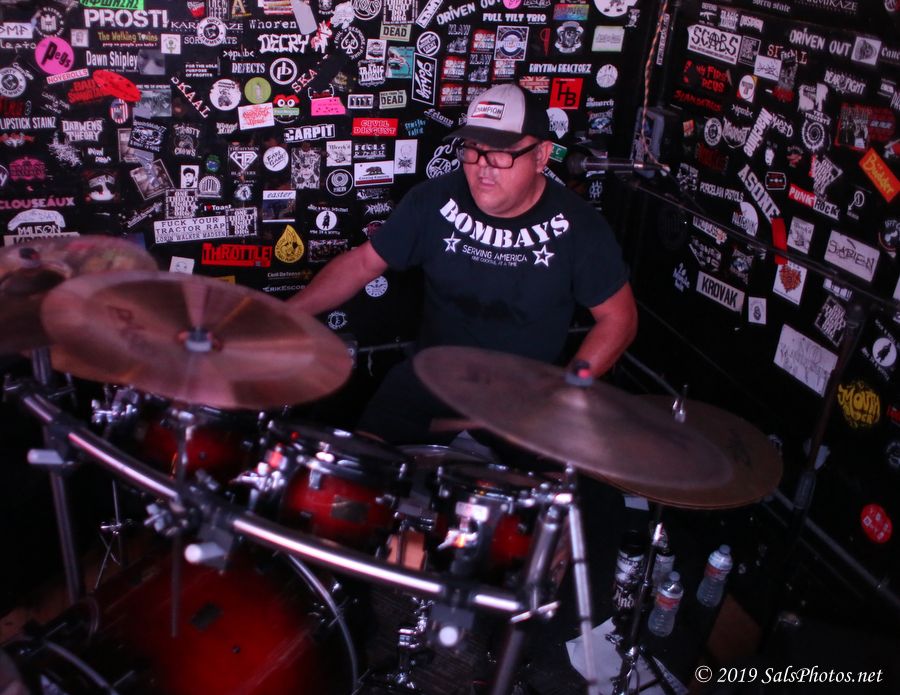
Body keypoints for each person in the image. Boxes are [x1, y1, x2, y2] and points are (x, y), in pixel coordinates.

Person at [289, 83, 637, 443]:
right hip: (431, 381)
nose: (483, 167)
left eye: (501, 153)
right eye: (473, 149)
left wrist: (568, 388)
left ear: (541, 156)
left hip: (529, 397)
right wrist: (284, 315)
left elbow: (619, 319)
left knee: (557, 476)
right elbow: (363, 264)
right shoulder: (434, 199)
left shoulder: (580, 227)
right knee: (362, 465)